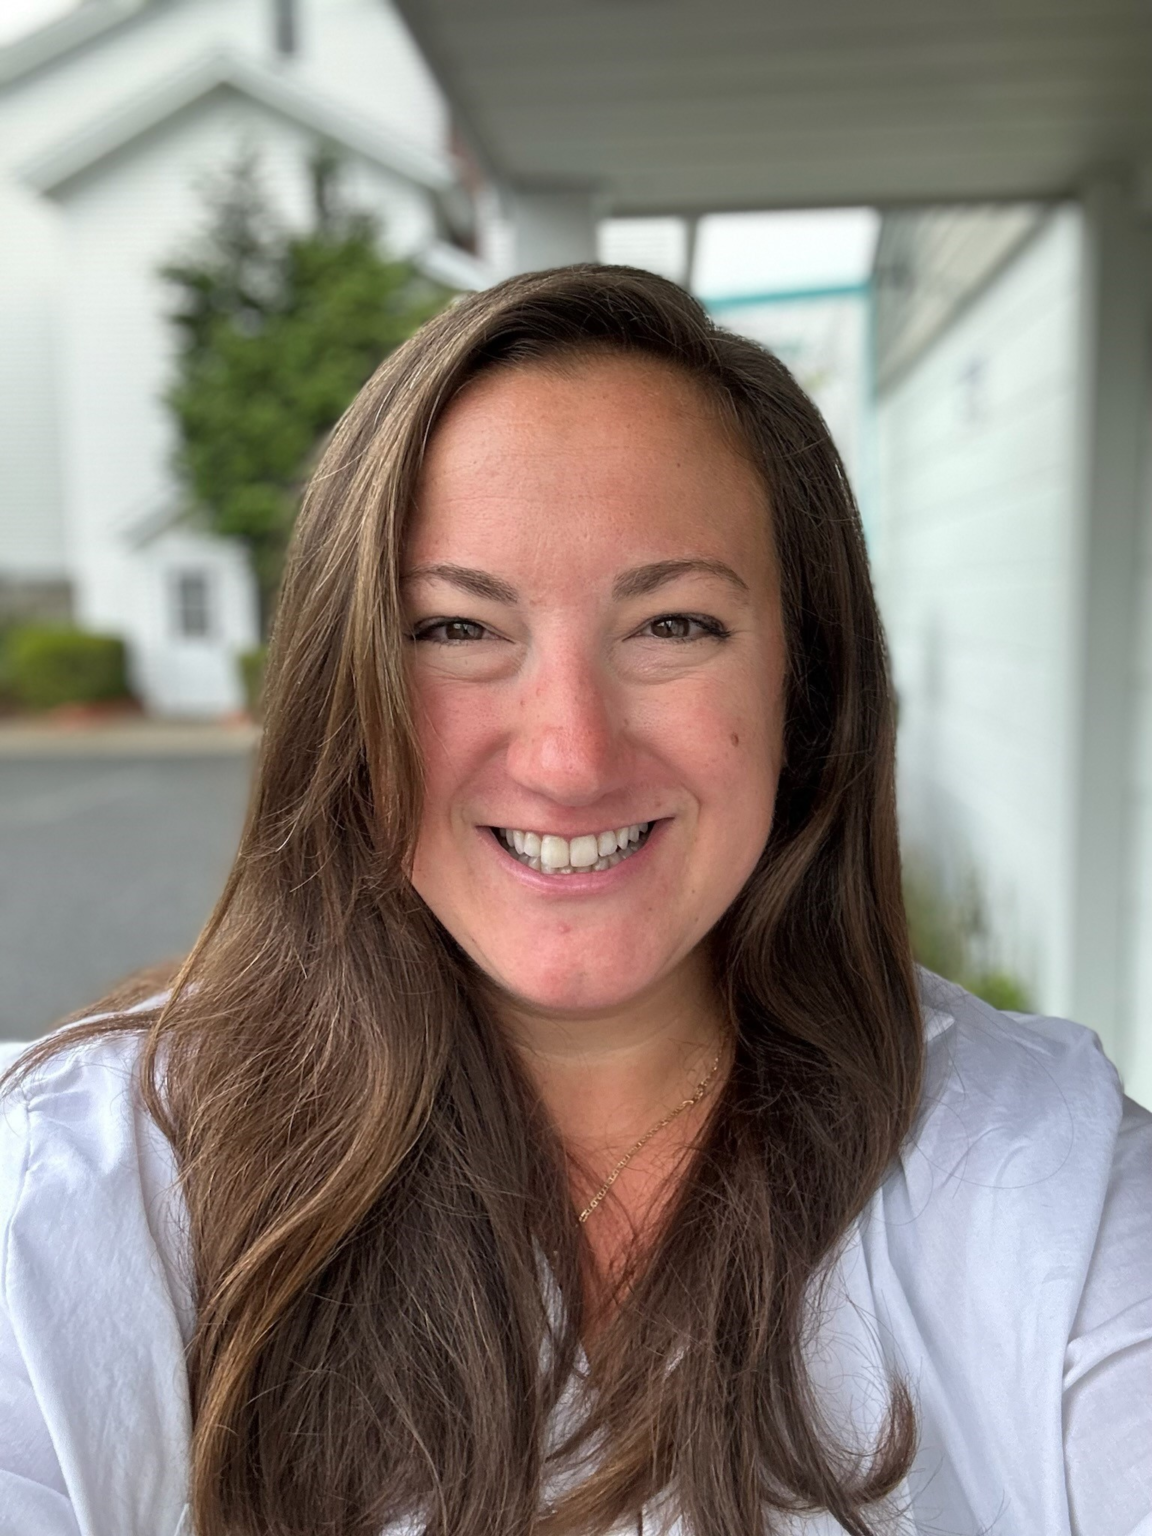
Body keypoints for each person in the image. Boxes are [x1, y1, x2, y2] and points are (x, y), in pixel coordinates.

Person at [1, 266, 1148, 1536]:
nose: (570, 755)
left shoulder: (1057, 1190)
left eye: (673, 625)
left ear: (802, 687)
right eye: (452, 630)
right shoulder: (72, 1189)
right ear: (346, 691)